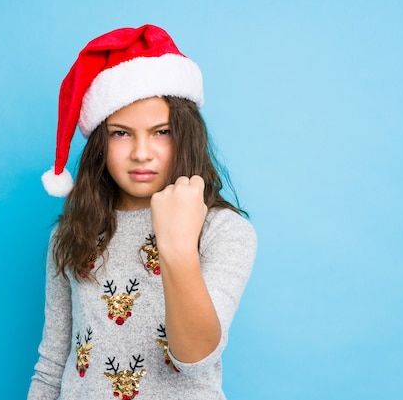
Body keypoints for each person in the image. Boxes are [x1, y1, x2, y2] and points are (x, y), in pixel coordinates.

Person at [29, 24, 257, 400]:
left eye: (161, 131)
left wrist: (178, 246)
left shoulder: (224, 231)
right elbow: (53, 363)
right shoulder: (71, 233)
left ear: (186, 135)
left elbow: (195, 358)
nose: (141, 152)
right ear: (100, 142)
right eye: (121, 133)